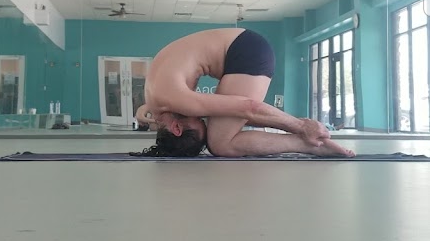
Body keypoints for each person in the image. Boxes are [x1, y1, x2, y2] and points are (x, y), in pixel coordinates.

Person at [133, 28, 355, 159]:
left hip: (245, 52)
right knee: (227, 119)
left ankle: (309, 144)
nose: (201, 118)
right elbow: (147, 111)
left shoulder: (176, 100)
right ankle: (308, 141)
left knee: (220, 143)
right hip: (243, 45)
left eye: (199, 121)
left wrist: (301, 126)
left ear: (176, 128)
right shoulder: (156, 101)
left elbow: (249, 107)